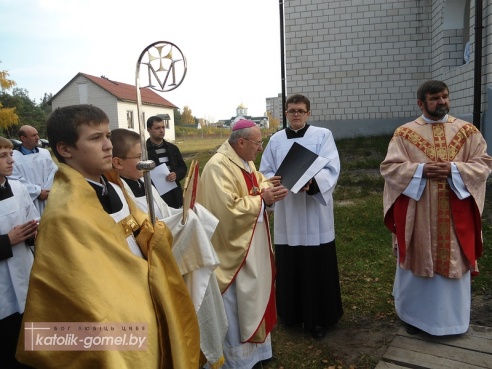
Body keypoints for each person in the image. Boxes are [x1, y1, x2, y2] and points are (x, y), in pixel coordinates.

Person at [16, 105, 200, 368]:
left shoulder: (113, 185)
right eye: (95, 138)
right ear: (65, 149)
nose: (107, 146)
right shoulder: (65, 214)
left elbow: (139, 230)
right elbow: (81, 290)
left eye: (107, 136)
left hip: (144, 293)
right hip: (112, 316)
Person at [380, 80, 492, 336]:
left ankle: (452, 323)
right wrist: (420, 170)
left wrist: (455, 170)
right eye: (435, 98)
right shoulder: (404, 134)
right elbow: (389, 168)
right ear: (421, 103)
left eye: (445, 96)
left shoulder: (467, 131)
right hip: (419, 214)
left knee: (454, 262)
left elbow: (484, 164)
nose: (442, 101)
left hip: (456, 213)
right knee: (418, 259)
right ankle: (414, 318)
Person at [110, 128, 228, 368]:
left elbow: (166, 214)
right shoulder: (122, 193)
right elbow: (148, 230)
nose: (148, 163)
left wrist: (188, 212)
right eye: (139, 158)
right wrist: (183, 221)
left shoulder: (146, 183)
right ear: (118, 163)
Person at [198, 119, 288, 369]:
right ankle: (237, 361)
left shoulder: (244, 160)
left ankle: (257, 353)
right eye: (258, 143)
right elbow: (226, 211)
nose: (260, 149)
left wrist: (271, 186)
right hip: (233, 250)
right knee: (238, 304)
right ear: (241, 142)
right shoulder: (218, 166)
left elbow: (256, 184)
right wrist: (263, 200)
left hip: (252, 244)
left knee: (255, 294)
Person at [259, 94, 343, 340]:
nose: (296, 114)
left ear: (308, 113)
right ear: (285, 113)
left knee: (317, 263)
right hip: (288, 209)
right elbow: (265, 171)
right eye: (292, 111)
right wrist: (272, 181)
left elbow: (332, 168)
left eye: (301, 111)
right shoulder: (275, 140)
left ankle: (319, 317)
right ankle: (291, 314)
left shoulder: (322, 135)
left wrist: (313, 183)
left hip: (314, 210)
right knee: (290, 261)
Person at [0, 137, 39, 369]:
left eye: (11, 154)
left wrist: (35, 233)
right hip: (2, 285)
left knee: (29, 342)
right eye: (3, 156)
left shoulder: (18, 187)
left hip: (25, 273)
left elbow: (33, 219)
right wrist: (7, 241)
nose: (11, 160)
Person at [10, 125, 58, 215]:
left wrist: (47, 190)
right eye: (33, 135)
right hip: (28, 201)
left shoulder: (45, 153)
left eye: (37, 134)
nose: (38, 137)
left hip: (48, 197)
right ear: (23, 138)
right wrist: (38, 192)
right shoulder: (13, 157)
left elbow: (53, 171)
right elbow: (15, 179)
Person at [146, 115, 187, 208]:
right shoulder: (144, 151)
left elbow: (183, 167)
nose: (161, 130)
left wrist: (176, 174)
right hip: (156, 195)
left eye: (163, 127)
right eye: (157, 128)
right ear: (149, 130)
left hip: (175, 193)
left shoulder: (173, 148)